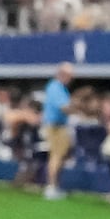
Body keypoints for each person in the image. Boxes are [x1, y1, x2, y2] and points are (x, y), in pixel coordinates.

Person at [39, 62, 76, 200]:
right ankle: (52, 186)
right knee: (57, 156)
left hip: (58, 124)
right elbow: (64, 107)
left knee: (59, 155)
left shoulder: (58, 87)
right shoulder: (56, 87)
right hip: (56, 126)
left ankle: (54, 186)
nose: (71, 79)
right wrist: (77, 108)